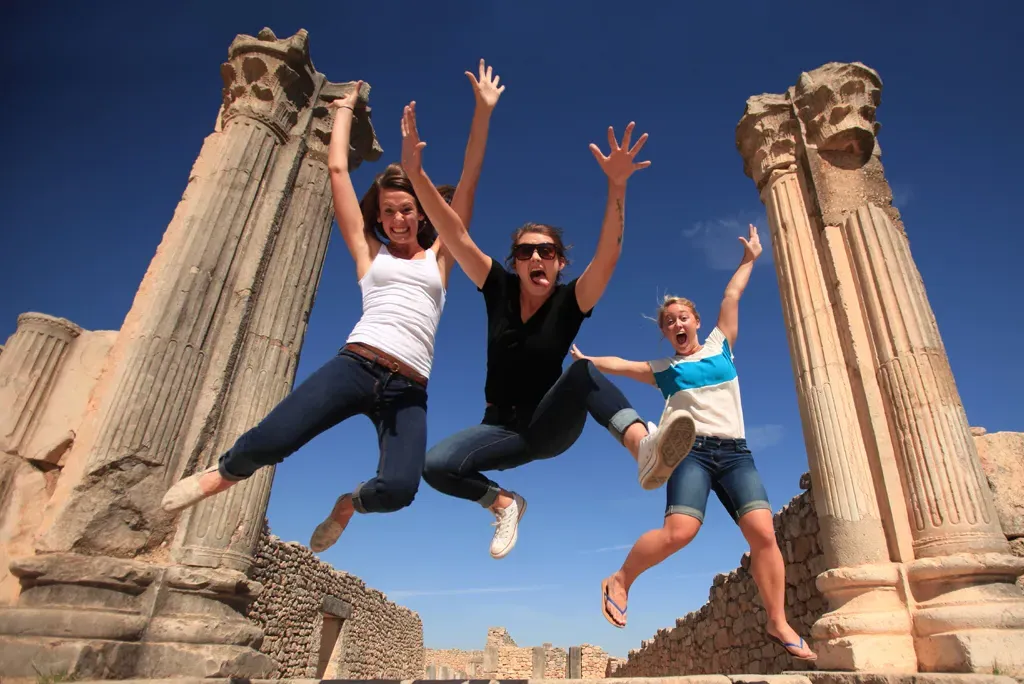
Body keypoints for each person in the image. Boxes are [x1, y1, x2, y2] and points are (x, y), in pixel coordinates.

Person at [160, 60, 506, 553]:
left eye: (407, 209)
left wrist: (483, 112)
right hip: (357, 365)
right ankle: (224, 473)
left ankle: (347, 506)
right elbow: (338, 170)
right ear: (379, 217)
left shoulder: (441, 257)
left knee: (399, 489)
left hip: (409, 387)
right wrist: (342, 109)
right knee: (274, 438)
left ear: (422, 212)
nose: (398, 219)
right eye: (388, 211)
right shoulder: (370, 254)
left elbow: (469, 182)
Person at [397, 102, 697, 560]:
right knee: (436, 466)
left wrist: (617, 186)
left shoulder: (569, 301)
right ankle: (505, 504)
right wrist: (417, 176)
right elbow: (453, 232)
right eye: (525, 251)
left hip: (549, 422)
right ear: (514, 262)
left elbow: (609, 257)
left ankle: (645, 449)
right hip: (500, 427)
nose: (536, 258)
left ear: (560, 263)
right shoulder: (496, 287)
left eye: (546, 251)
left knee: (581, 372)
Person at [570, 223, 817, 661]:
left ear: (696, 322)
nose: (676, 323)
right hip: (689, 451)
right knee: (680, 532)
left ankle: (777, 621)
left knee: (764, 533)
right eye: (669, 322)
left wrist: (748, 260)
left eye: (682, 317)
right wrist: (588, 360)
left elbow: (731, 298)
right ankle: (621, 579)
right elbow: (623, 365)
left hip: (736, 453)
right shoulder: (665, 368)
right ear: (665, 333)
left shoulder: (721, 347)